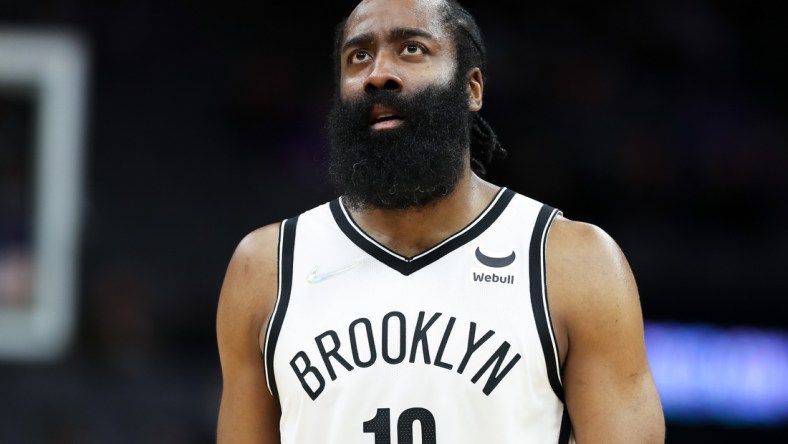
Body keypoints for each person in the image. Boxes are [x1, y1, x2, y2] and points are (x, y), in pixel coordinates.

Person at [216, 0, 665, 442]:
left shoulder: (574, 263)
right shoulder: (266, 268)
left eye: (411, 49)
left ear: (472, 88)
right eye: (359, 57)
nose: (378, 74)